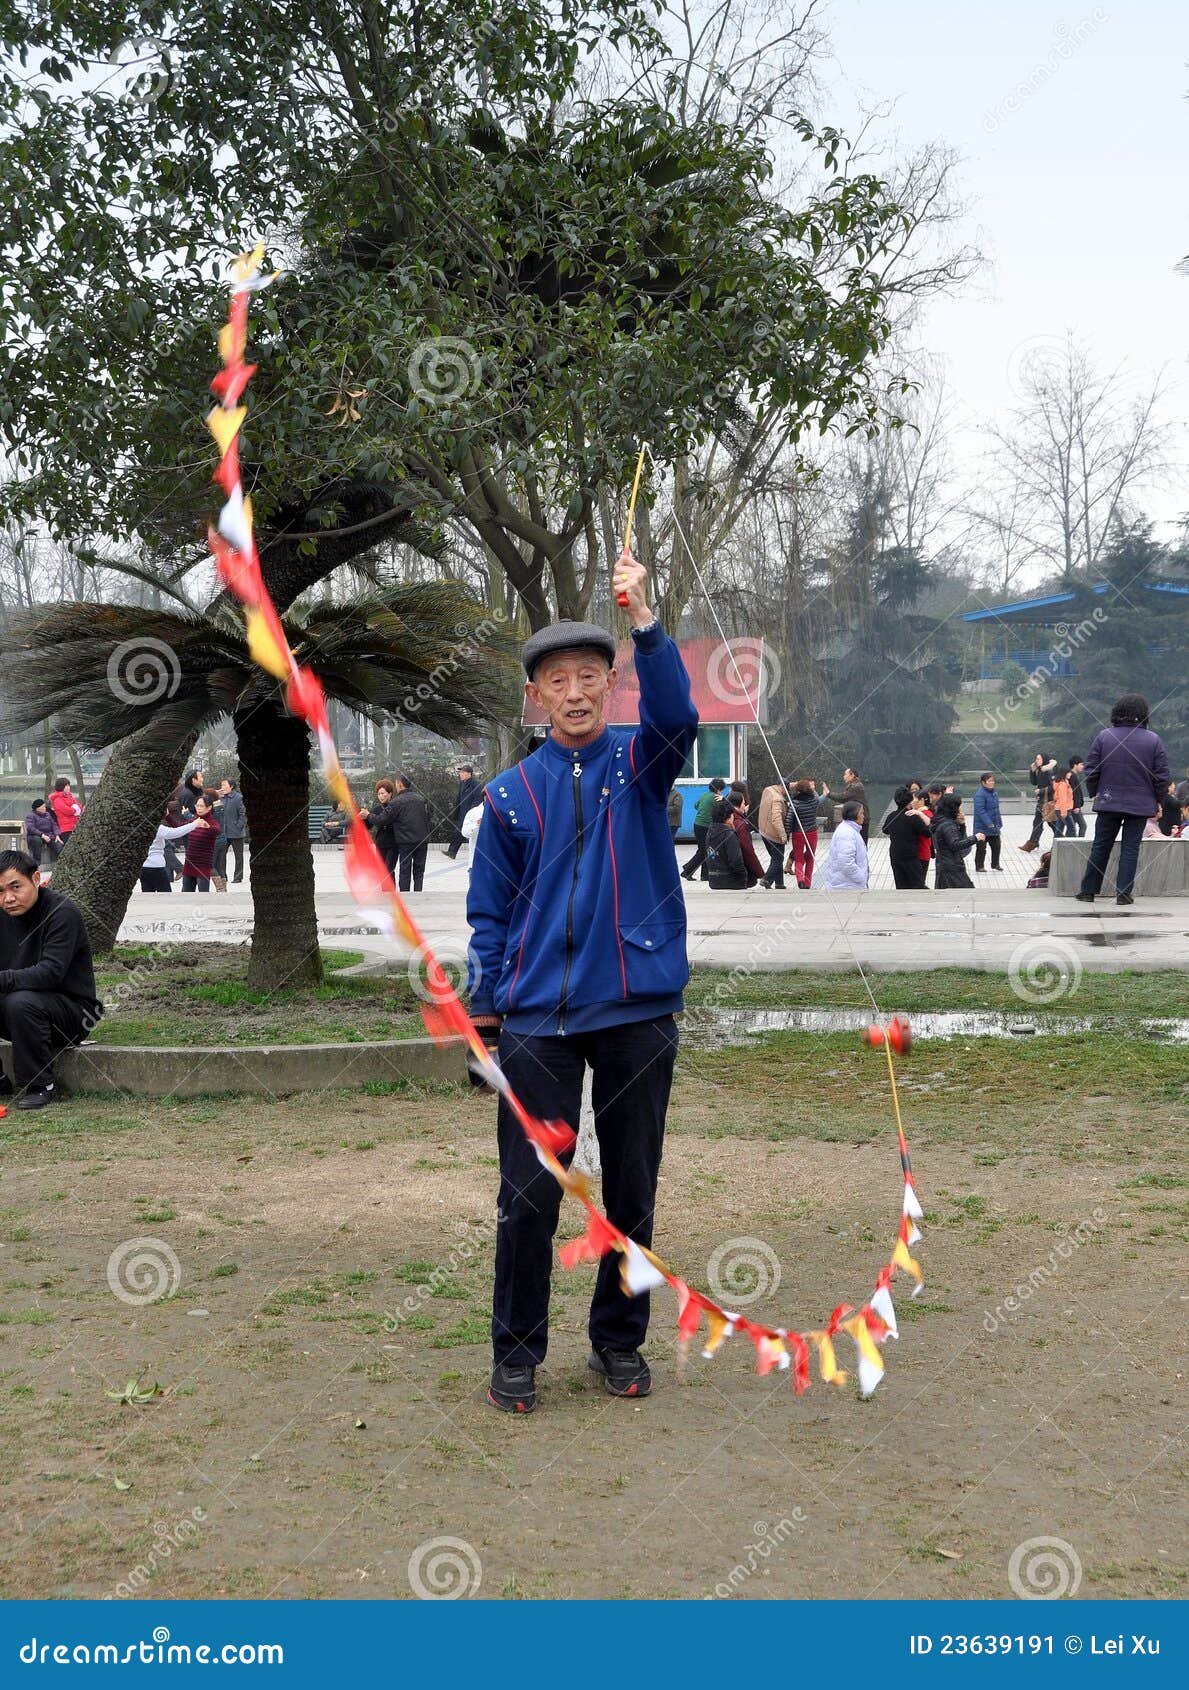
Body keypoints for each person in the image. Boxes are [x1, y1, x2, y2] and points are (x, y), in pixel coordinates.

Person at [466, 554, 697, 1414]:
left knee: (632, 1188)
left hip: (637, 1012)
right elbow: (487, 916)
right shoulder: (508, 796)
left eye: (589, 677)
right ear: (536, 696)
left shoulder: (644, 767)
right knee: (528, 1194)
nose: (573, 691)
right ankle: (516, 1352)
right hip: (536, 1022)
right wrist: (485, 1013)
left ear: (610, 687)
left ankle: (617, 1342)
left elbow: (679, 710)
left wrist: (645, 623)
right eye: (556, 679)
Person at [0, 851, 102, 1109]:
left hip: (71, 1013)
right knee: (17, 1000)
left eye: (15, 887)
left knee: (20, 1001)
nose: (8, 898)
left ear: (35, 879)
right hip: (18, 1007)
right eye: (0, 891)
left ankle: (39, 1084)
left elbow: (50, 972)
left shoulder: (61, 912)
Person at [1075, 694, 1170, 906]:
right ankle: (1123, 893)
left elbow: (1091, 770)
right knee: (1130, 849)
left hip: (1108, 801)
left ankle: (1088, 891)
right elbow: (1161, 775)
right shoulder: (1153, 740)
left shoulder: (1104, 736)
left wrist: (1096, 792)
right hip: (1140, 804)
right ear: (1143, 714)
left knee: (1101, 846)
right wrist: (1158, 800)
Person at [140, 810, 203, 893]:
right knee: (166, 895)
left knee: (147, 894)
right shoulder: (157, 828)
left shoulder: (137, 827)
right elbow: (175, 832)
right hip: (157, 866)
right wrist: (194, 824)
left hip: (142, 867)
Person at [389, 775, 432, 892]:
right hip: (422, 840)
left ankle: (405, 895)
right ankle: (418, 893)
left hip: (405, 842)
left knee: (404, 870)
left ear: (400, 785)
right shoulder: (422, 799)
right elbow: (428, 817)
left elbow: (384, 819)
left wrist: (369, 816)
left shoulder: (396, 802)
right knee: (419, 870)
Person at [932, 793, 983, 889]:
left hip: (945, 864)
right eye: (958, 807)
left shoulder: (942, 820)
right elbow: (955, 844)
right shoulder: (948, 825)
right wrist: (975, 838)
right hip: (951, 867)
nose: (960, 810)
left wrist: (962, 824)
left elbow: (957, 838)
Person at [883, 786, 931, 888]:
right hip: (910, 855)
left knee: (900, 884)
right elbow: (927, 833)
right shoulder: (912, 816)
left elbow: (885, 830)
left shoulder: (891, 816)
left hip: (895, 854)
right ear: (909, 802)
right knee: (917, 883)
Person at [681, 777, 727, 881]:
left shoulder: (705, 795)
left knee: (705, 849)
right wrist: (723, 799)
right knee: (705, 850)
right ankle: (688, 870)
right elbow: (724, 809)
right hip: (705, 826)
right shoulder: (716, 798)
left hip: (697, 824)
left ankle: (704, 874)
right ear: (719, 789)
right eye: (722, 789)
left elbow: (696, 806)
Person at [785, 777, 827, 889]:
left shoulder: (795, 803)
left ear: (798, 791)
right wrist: (815, 790)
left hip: (798, 833)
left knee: (798, 858)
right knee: (810, 858)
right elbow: (819, 797)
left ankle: (800, 879)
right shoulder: (814, 801)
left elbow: (789, 819)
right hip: (812, 832)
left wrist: (787, 833)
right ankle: (808, 883)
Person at [705, 797, 754, 889]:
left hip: (713, 880)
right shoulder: (729, 834)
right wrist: (744, 875)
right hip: (731, 881)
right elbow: (736, 860)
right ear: (727, 818)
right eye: (732, 815)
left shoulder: (710, 832)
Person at [821, 800, 868, 889]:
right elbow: (846, 861)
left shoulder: (851, 829)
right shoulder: (846, 833)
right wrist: (860, 877)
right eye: (862, 813)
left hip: (848, 884)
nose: (863, 816)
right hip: (846, 887)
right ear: (855, 815)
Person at [211, 777, 247, 887]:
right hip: (223, 833)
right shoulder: (220, 798)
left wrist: (239, 826)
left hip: (236, 832)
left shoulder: (239, 798)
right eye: (221, 785)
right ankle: (223, 876)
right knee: (221, 856)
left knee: (238, 856)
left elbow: (243, 814)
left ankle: (238, 877)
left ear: (231, 786)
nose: (222, 787)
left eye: (224, 785)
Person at [180, 795, 220, 892]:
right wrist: (168, 817)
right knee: (186, 895)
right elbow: (179, 827)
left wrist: (208, 827)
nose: (198, 808)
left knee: (203, 895)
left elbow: (217, 830)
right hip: (189, 863)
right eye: (197, 805)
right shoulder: (194, 821)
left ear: (209, 807)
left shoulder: (212, 822)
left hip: (203, 865)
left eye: (201, 806)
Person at [726, 789, 765, 884]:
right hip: (739, 871)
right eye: (743, 803)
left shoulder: (724, 817)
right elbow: (747, 850)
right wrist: (759, 872)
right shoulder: (740, 823)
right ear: (738, 804)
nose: (745, 806)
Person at [1019, 754, 1057, 852]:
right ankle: (1033, 843)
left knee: (1052, 824)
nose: (1036, 760)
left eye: (1038, 758)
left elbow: (1053, 787)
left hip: (1048, 801)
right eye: (1036, 758)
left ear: (1044, 759)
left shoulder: (1049, 771)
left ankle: (1060, 840)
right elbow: (1034, 782)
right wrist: (1032, 770)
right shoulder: (1040, 770)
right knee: (1037, 822)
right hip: (1041, 801)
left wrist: (1040, 791)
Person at [445, 765, 483, 859]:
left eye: (463, 772)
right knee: (459, 832)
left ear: (469, 774)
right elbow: (459, 798)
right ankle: (452, 852)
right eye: (460, 772)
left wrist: (471, 812)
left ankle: (452, 851)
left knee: (464, 832)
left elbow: (478, 799)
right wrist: (456, 811)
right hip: (462, 812)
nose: (460, 774)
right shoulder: (462, 783)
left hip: (470, 814)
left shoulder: (476, 784)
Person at [757, 779, 788, 888]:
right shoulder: (777, 799)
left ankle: (779, 884)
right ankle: (766, 879)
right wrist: (783, 835)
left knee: (775, 858)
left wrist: (798, 784)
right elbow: (776, 819)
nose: (787, 792)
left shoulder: (768, 790)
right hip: (774, 834)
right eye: (786, 790)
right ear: (783, 787)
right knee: (778, 859)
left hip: (764, 831)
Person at [364, 779, 397, 873]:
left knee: (388, 870)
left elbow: (381, 821)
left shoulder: (395, 806)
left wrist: (369, 815)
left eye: (383, 793)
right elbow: (368, 826)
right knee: (381, 870)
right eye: (379, 794)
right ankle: (386, 888)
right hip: (380, 843)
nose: (381, 796)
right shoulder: (377, 809)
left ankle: (390, 888)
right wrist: (363, 818)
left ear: (390, 793)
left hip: (393, 844)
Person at [971, 773, 1003, 871]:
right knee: (981, 848)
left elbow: (996, 810)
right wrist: (988, 823)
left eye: (993, 780)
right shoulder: (980, 795)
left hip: (993, 826)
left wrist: (999, 822)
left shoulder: (994, 793)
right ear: (983, 783)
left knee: (996, 846)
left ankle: (995, 864)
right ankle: (979, 866)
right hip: (982, 827)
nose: (992, 783)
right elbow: (980, 811)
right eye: (989, 781)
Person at [24, 800, 62, 868]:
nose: (45, 808)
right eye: (43, 807)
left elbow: (54, 825)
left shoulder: (48, 814)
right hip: (35, 835)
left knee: (58, 844)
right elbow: (31, 828)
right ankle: (36, 863)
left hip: (48, 835)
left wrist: (57, 835)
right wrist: (42, 835)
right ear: (38, 808)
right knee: (37, 840)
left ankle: (58, 864)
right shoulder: (30, 815)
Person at [48, 778, 82, 851]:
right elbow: (67, 811)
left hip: (75, 825)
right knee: (69, 849)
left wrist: (75, 809)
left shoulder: (70, 797)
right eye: (66, 786)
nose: (68, 787)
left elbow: (80, 806)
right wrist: (75, 810)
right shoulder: (57, 799)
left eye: (68, 785)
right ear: (61, 787)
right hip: (66, 828)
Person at [841, 767, 868, 843]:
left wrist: (828, 793)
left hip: (862, 819)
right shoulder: (854, 785)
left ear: (852, 775)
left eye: (845, 774)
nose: (844, 776)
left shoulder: (855, 786)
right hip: (856, 819)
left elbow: (843, 798)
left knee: (861, 844)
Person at [1049, 765, 1076, 838]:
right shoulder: (1063, 785)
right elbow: (1062, 799)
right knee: (1072, 828)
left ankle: (1055, 847)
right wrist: (1063, 812)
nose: (1070, 774)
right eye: (1069, 773)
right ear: (1064, 773)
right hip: (1064, 809)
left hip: (1062, 809)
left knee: (1059, 829)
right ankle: (1070, 846)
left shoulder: (1064, 783)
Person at [1067, 756, 1088, 837]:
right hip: (1074, 807)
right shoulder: (1072, 776)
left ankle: (1069, 843)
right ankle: (1079, 842)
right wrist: (1076, 806)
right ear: (1075, 765)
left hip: (1073, 806)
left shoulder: (1072, 775)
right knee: (1083, 825)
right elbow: (1073, 793)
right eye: (1081, 764)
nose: (1082, 766)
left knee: (1071, 827)